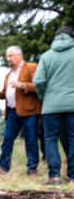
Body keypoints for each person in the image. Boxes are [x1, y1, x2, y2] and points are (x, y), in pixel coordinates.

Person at [33, 26, 74, 185]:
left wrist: (45, 97)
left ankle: (55, 175)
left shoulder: (46, 56)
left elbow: (38, 81)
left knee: (50, 138)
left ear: (56, 38)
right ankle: (72, 176)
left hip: (51, 106)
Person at [0, 46, 41, 175]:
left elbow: (38, 85)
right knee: (7, 140)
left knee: (31, 140)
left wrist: (22, 85)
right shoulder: (8, 75)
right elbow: (5, 93)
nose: (8, 59)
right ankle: (3, 167)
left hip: (29, 111)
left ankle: (32, 169)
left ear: (19, 55)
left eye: (10, 56)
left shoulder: (31, 67)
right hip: (11, 112)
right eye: (7, 56)